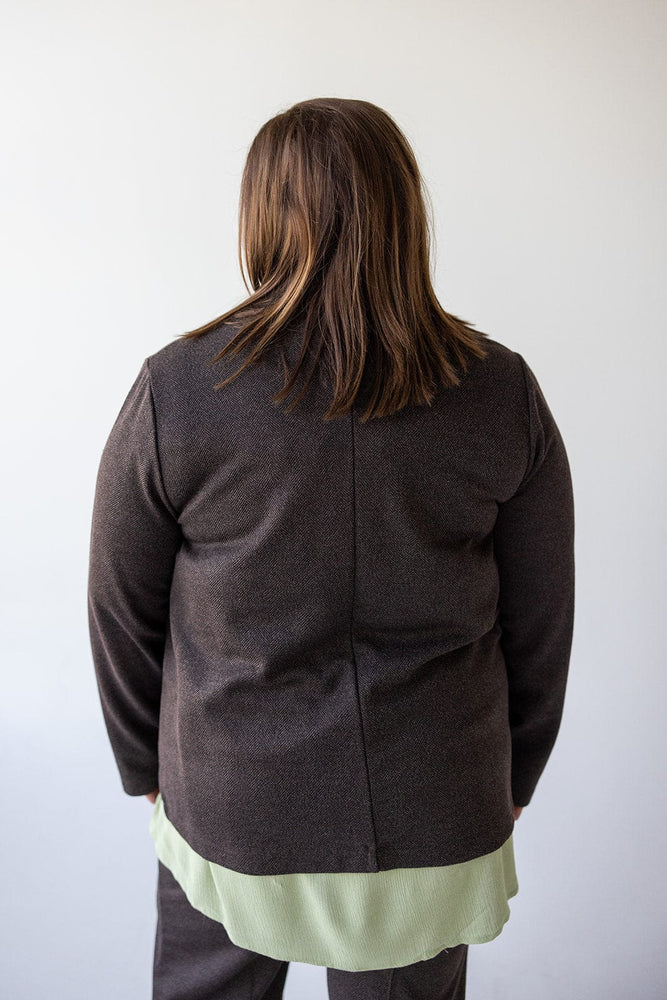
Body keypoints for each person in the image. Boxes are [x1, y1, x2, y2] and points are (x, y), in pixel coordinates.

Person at [87, 97, 575, 1000]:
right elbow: (540, 621)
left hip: (234, 802)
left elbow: (120, 608)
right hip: (435, 795)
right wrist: (517, 770)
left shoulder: (181, 391)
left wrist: (143, 766)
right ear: (402, 213)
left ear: (260, 217)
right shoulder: (498, 391)